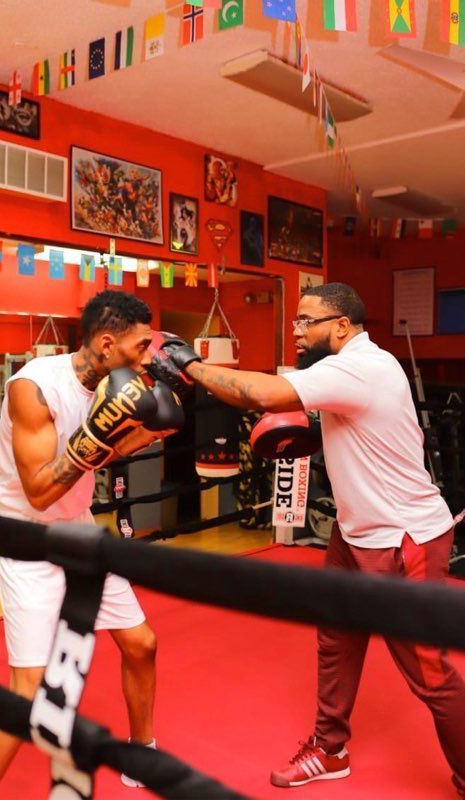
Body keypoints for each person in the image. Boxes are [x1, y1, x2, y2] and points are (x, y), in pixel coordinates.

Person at [146, 282, 465, 798]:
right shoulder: (348, 370)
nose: (296, 331)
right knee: (335, 642)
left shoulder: (361, 366)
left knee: (429, 671)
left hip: (403, 538)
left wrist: (190, 365)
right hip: (354, 530)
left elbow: (259, 393)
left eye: (305, 322)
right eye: (294, 321)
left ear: (341, 326)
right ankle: (330, 748)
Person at [0, 289, 183, 798]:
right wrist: (100, 432)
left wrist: (146, 434)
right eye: (138, 348)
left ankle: (142, 754)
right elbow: (42, 492)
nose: (144, 358)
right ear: (106, 343)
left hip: (81, 534)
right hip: (29, 542)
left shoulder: (111, 384)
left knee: (142, 644)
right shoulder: (34, 390)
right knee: (28, 695)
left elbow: (98, 455)